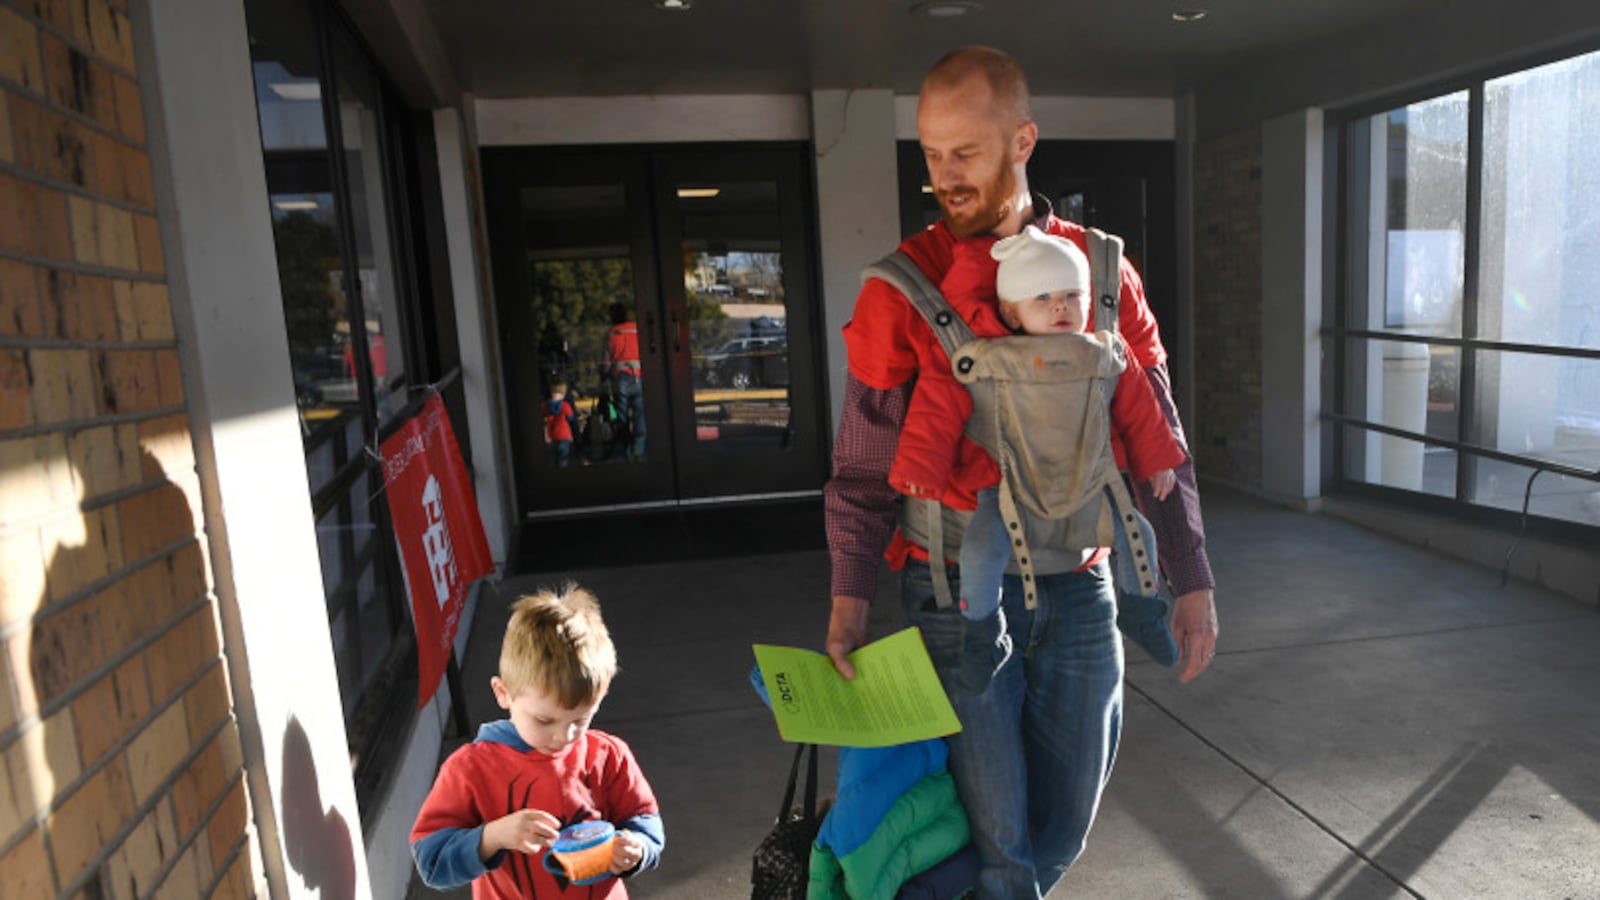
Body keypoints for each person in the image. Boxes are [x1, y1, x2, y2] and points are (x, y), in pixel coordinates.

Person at [823, 46, 1219, 898]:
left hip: (1082, 588)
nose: (944, 175)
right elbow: (860, 469)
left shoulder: (1105, 277)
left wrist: (1190, 577)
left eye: (964, 152)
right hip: (952, 595)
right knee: (999, 840)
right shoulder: (901, 288)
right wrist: (848, 600)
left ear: (1023, 140)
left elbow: (1162, 445)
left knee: (1062, 825)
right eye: (930, 153)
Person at [888, 225, 1188, 676]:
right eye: (1042, 299)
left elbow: (1140, 409)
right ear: (1010, 312)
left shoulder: (1106, 350)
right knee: (981, 552)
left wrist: (1158, 460)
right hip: (1002, 489)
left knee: (1138, 535)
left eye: (1071, 295)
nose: (1059, 307)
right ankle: (981, 632)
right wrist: (921, 473)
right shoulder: (986, 355)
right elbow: (937, 408)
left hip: (1086, 484)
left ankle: (1142, 610)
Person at [411, 584, 664, 897]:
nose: (564, 736)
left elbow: (645, 822)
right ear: (503, 693)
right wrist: (493, 836)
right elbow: (431, 863)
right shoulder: (470, 769)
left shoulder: (609, 756)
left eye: (580, 721)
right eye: (543, 720)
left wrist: (637, 848)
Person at [602, 303, 646, 460]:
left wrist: (604, 379)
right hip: (639, 376)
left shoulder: (612, 334)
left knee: (622, 417)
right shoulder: (638, 330)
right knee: (640, 415)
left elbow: (606, 364)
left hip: (620, 378)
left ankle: (625, 451)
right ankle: (638, 451)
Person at [544, 381, 578, 468]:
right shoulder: (565, 406)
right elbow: (571, 417)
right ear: (563, 394)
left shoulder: (545, 406)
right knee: (563, 459)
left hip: (551, 435)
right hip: (564, 435)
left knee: (552, 458)